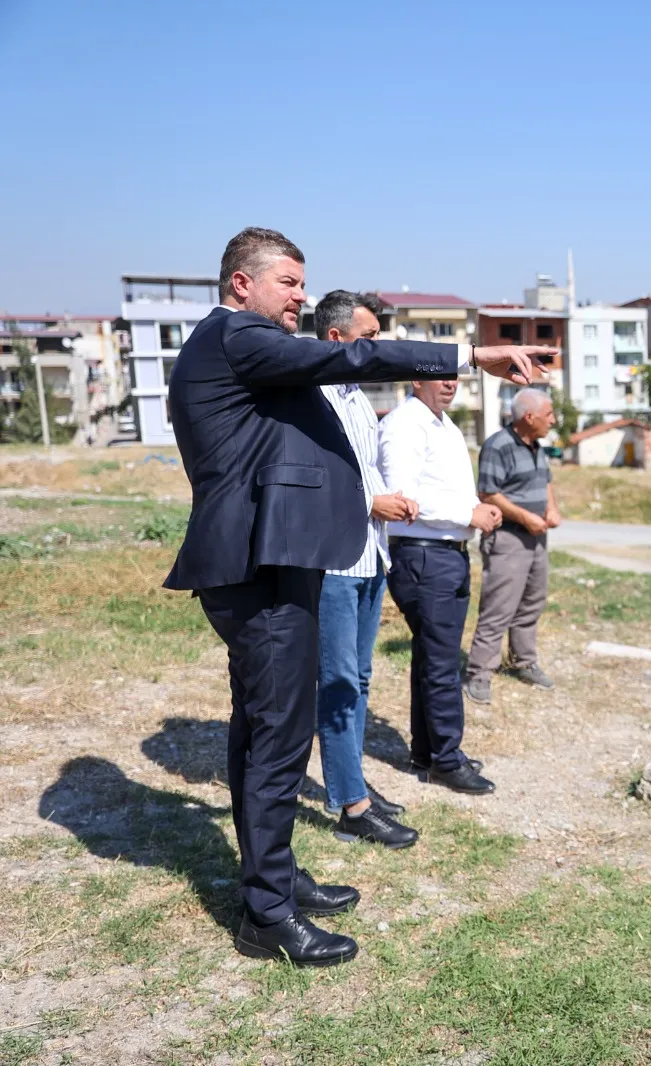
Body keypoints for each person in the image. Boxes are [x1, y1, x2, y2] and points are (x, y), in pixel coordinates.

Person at [164, 227, 547, 967]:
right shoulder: (237, 338)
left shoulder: (243, 350)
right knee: (278, 737)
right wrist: (470, 354)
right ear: (242, 285)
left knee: (263, 731)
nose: (301, 298)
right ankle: (267, 918)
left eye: (304, 285)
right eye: (289, 284)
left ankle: (270, 878)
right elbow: (351, 355)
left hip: (275, 563)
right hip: (258, 568)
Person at [312, 290, 419, 851]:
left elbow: (364, 471)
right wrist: (367, 504)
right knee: (336, 683)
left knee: (359, 680)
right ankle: (352, 805)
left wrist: (389, 500)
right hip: (333, 563)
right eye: (370, 337)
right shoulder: (312, 397)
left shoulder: (356, 397)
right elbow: (313, 487)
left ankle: (355, 785)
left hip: (371, 555)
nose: (377, 347)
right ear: (337, 339)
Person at [378, 379, 503, 796]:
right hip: (424, 555)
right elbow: (402, 497)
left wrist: (472, 514)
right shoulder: (403, 424)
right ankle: (446, 760)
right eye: (440, 375)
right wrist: (468, 513)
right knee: (442, 664)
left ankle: (427, 751)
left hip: (445, 554)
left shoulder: (443, 424)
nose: (450, 384)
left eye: (455, 376)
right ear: (417, 379)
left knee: (432, 657)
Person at [464, 388, 563, 704]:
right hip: (508, 537)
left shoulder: (537, 445)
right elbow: (488, 494)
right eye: (549, 414)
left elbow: (545, 481)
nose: (554, 420)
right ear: (529, 417)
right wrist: (525, 518)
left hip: (537, 536)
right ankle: (479, 673)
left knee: (532, 602)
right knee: (498, 608)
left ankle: (524, 661)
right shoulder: (498, 446)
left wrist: (551, 509)